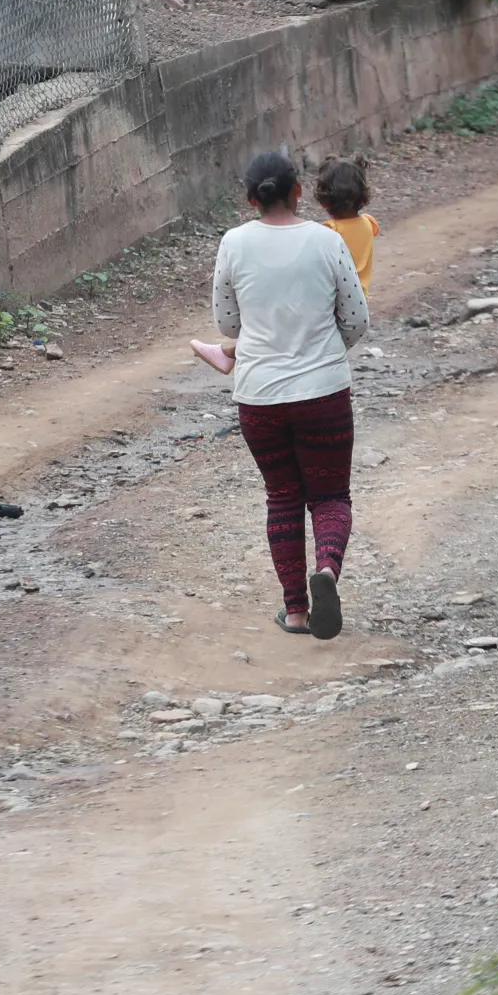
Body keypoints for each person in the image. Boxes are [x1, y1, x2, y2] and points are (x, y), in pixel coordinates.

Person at [203, 150, 370, 639]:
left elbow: (228, 322)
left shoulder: (233, 243)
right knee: (331, 495)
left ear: (251, 198)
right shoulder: (326, 240)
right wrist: (322, 351)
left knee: (282, 497)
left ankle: (295, 611)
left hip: (259, 397)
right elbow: (357, 318)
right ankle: (327, 571)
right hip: (323, 394)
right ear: (299, 191)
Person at [191, 155, 377, 374]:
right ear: (296, 190)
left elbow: (228, 324)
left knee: (281, 320)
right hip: (353, 301)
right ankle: (228, 353)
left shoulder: (329, 234)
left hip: (266, 376)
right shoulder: (368, 223)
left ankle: (230, 353)